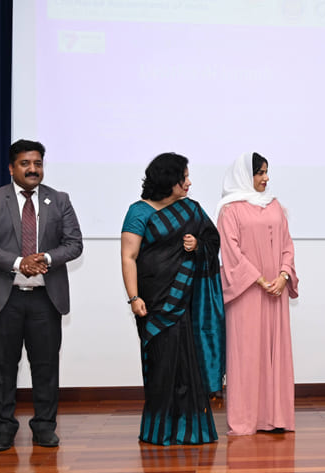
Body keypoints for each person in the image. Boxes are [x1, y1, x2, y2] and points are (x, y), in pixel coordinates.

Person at [0, 139, 83, 451]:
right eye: (25, 163)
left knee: (46, 367)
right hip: (4, 299)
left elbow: (74, 244)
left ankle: (44, 427)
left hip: (45, 299)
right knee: (2, 368)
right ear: (11, 168)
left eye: (38, 163)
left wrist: (45, 258)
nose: (33, 169)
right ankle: (3, 429)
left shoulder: (59, 200)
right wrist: (20, 263)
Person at [121, 152, 223, 445]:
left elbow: (212, 240)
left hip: (186, 299)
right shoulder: (139, 212)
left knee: (188, 363)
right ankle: (160, 430)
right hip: (153, 301)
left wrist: (197, 244)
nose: (189, 183)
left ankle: (190, 430)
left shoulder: (191, 209)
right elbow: (129, 257)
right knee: (161, 365)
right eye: (184, 178)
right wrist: (134, 297)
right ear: (169, 181)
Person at [216, 152, 298, 436]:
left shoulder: (275, 205)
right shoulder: (230, 210)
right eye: (259, 173)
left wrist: (283, 276)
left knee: (276, 353)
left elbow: (287, 245)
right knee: (247, 354)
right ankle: (246, 419)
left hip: (275, 290)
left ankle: (276, 417)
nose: (265, 178)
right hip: (247, 292)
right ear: (244, 175)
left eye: (266, 172)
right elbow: (231, 252)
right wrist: (260, 280)